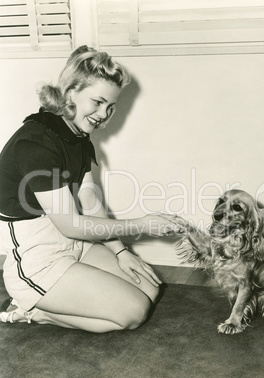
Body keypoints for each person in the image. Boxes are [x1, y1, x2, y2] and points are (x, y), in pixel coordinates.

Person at [0, 45, 180, 333]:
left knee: (148, 287)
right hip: (38, 260)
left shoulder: (78, 137)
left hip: (72, 246)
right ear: (70, 91)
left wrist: (121, 252)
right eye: (97, 102)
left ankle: (43, 303)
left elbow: (89, 198)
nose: (103, 114)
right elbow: (71, 224)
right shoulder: (35, 143)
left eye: (110, 106)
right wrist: (142, 225)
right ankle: (30, 310)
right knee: (134, 311)